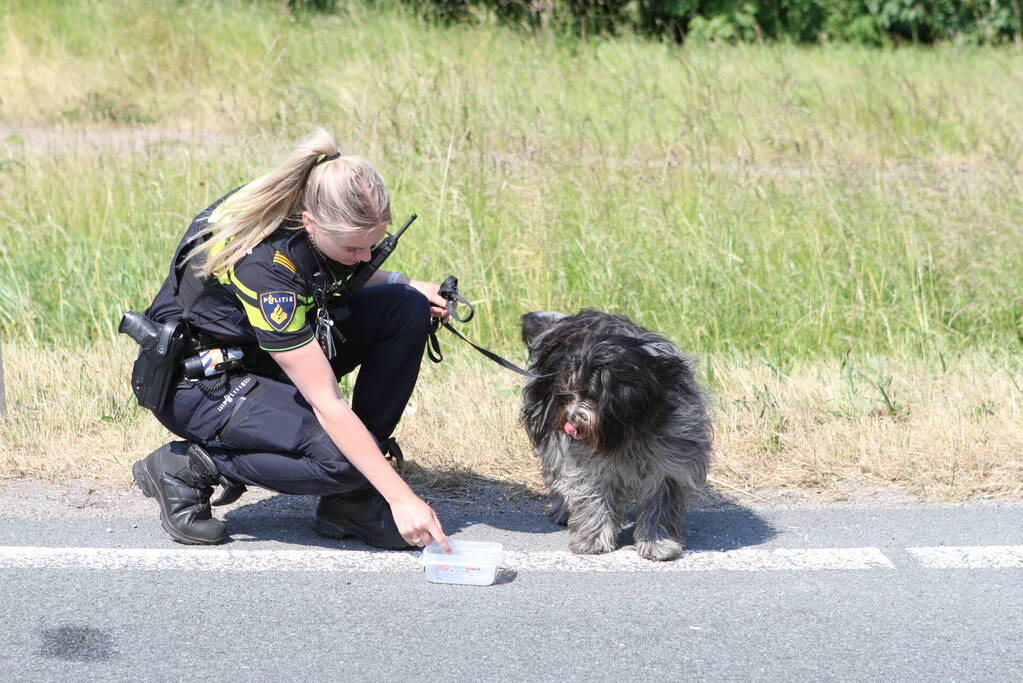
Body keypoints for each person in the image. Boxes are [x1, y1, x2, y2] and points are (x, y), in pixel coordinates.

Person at [131, 127, 451, 552]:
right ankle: (187, 467)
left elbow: (325, 269)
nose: (366, 259)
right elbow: (328, 402)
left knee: (404, 305)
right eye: (355, 248)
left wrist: (408, 283)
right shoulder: (264, 268)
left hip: (258, 350)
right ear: (310, 223)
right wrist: (401, 498)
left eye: (373, 245)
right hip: (204, 383)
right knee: (348, 458)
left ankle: (348, 502)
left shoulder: (308, 197)